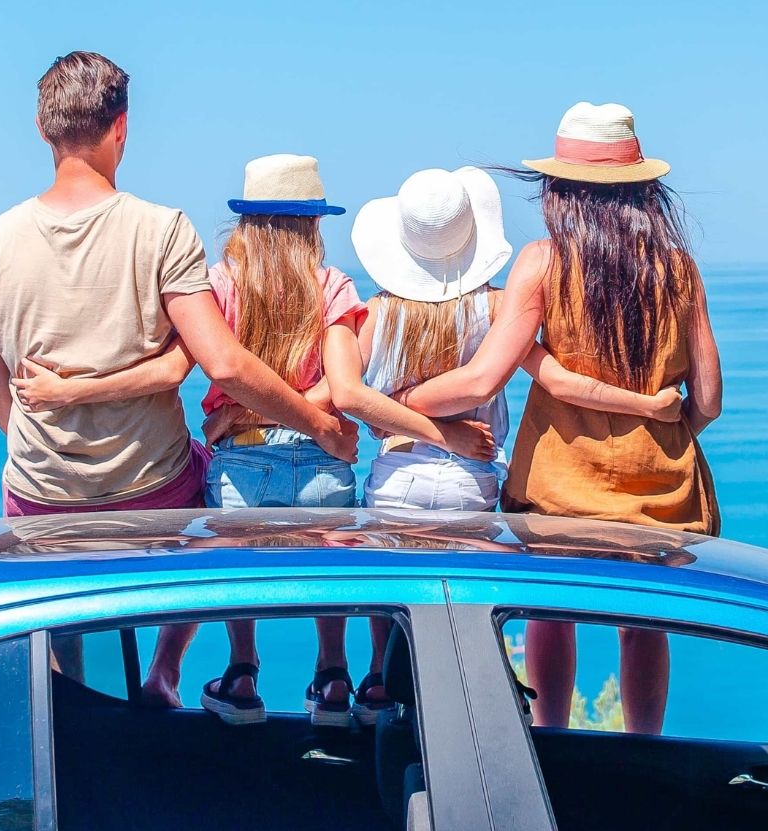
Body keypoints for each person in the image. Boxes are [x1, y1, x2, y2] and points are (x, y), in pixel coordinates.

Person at [0, 52, 356, 701]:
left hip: (41, 496)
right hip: (150, 491)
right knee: (212, 492)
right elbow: (221, 363)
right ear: (122, 128)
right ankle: (164, 670)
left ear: (40, 126)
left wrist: (60, 446)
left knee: (54, 590)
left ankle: (67, 698)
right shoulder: (162, 230)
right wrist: (316, 423)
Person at [397, 103, 723, 735]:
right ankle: (644, 751)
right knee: (643, 626)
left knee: (552, 615)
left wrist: (404, 403)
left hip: (558, 495)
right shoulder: (679, 269)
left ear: (562, 192)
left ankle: (551, 741)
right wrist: (660, 434)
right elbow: (708, 398)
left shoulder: (544, 263)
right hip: (661, 500)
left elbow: (483, 379)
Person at [336, 165, 682, 722]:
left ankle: (380, 682)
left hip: (396, 478)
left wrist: (400, 414)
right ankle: (482, 712)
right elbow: (546, 376)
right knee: (466, 610)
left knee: (393, 595)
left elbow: (349, 397)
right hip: (471, 481)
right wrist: (648, 406)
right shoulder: (498, 309)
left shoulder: (372, 314)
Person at [191, 153, 414, 727]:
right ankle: (334, 676)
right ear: (312, 225)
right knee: (331, 571)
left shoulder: (218, 284)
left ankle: (242, 673)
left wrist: (238, 415)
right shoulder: (333, 287)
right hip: (320, 462)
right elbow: (345, 388)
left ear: (247, 225)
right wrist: (307, 412)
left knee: (234, 574)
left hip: (243, 462)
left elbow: (218, 371)